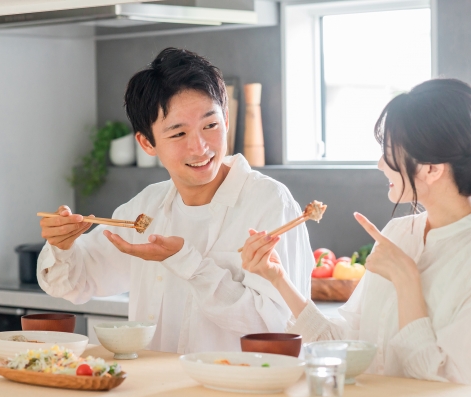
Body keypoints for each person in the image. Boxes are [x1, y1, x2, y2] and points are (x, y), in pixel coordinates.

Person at [241, 78, 471, 389]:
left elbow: (447, 386)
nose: (381, 164)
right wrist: (278, 278)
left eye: (391, 153)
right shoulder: (399, 233)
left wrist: (407, 280)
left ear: (432, 169)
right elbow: (346, 345)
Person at [37, 47, 313, 354]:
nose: (200, 147)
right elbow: (73, 283)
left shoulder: (269, 203)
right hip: (155, 383)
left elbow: (282, 326)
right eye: (179, 134)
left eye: (210, 125)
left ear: (226, 119)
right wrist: (62, 246)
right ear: (147, 143)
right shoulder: (146, 208)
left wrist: (189, 262)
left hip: (237, 382)